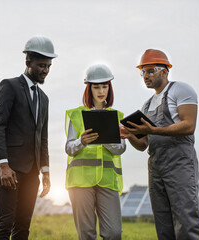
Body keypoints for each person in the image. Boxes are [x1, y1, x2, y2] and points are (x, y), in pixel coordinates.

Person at [120, 49, 199, 240]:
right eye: (143, 72)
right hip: (156, 166)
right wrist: (129, 134)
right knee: (163, 224)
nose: (145, 76)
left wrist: (154, 130)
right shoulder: (147, 105)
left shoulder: (181, 90)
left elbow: (189, 125)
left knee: (185, 221)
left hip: (179, 163)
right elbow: (143, 144)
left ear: (164, 71)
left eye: (150, 71)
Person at [0, 36, 57, 240]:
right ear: (28, 62)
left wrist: (45, 171)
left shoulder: (44, 99)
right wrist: (3, 165)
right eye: (41, 65)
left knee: (23, 225)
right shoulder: (9, 86)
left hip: (33, 171)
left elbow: (42, 138)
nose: (45, 70)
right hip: (10, 168)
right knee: (5, 222)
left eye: (48, 66)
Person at [65, 64, 126, 240]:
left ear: (109, 88)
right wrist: (81, 142)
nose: (101, 91)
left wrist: (105, 138)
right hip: (80, 181)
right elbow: (69, 148)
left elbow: (121, 148)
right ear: (89, 88)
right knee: (86, 234)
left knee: (114, 232)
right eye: (96, 86)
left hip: (107, 181)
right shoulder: (76, 115)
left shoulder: (116, 116)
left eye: (105, 86)